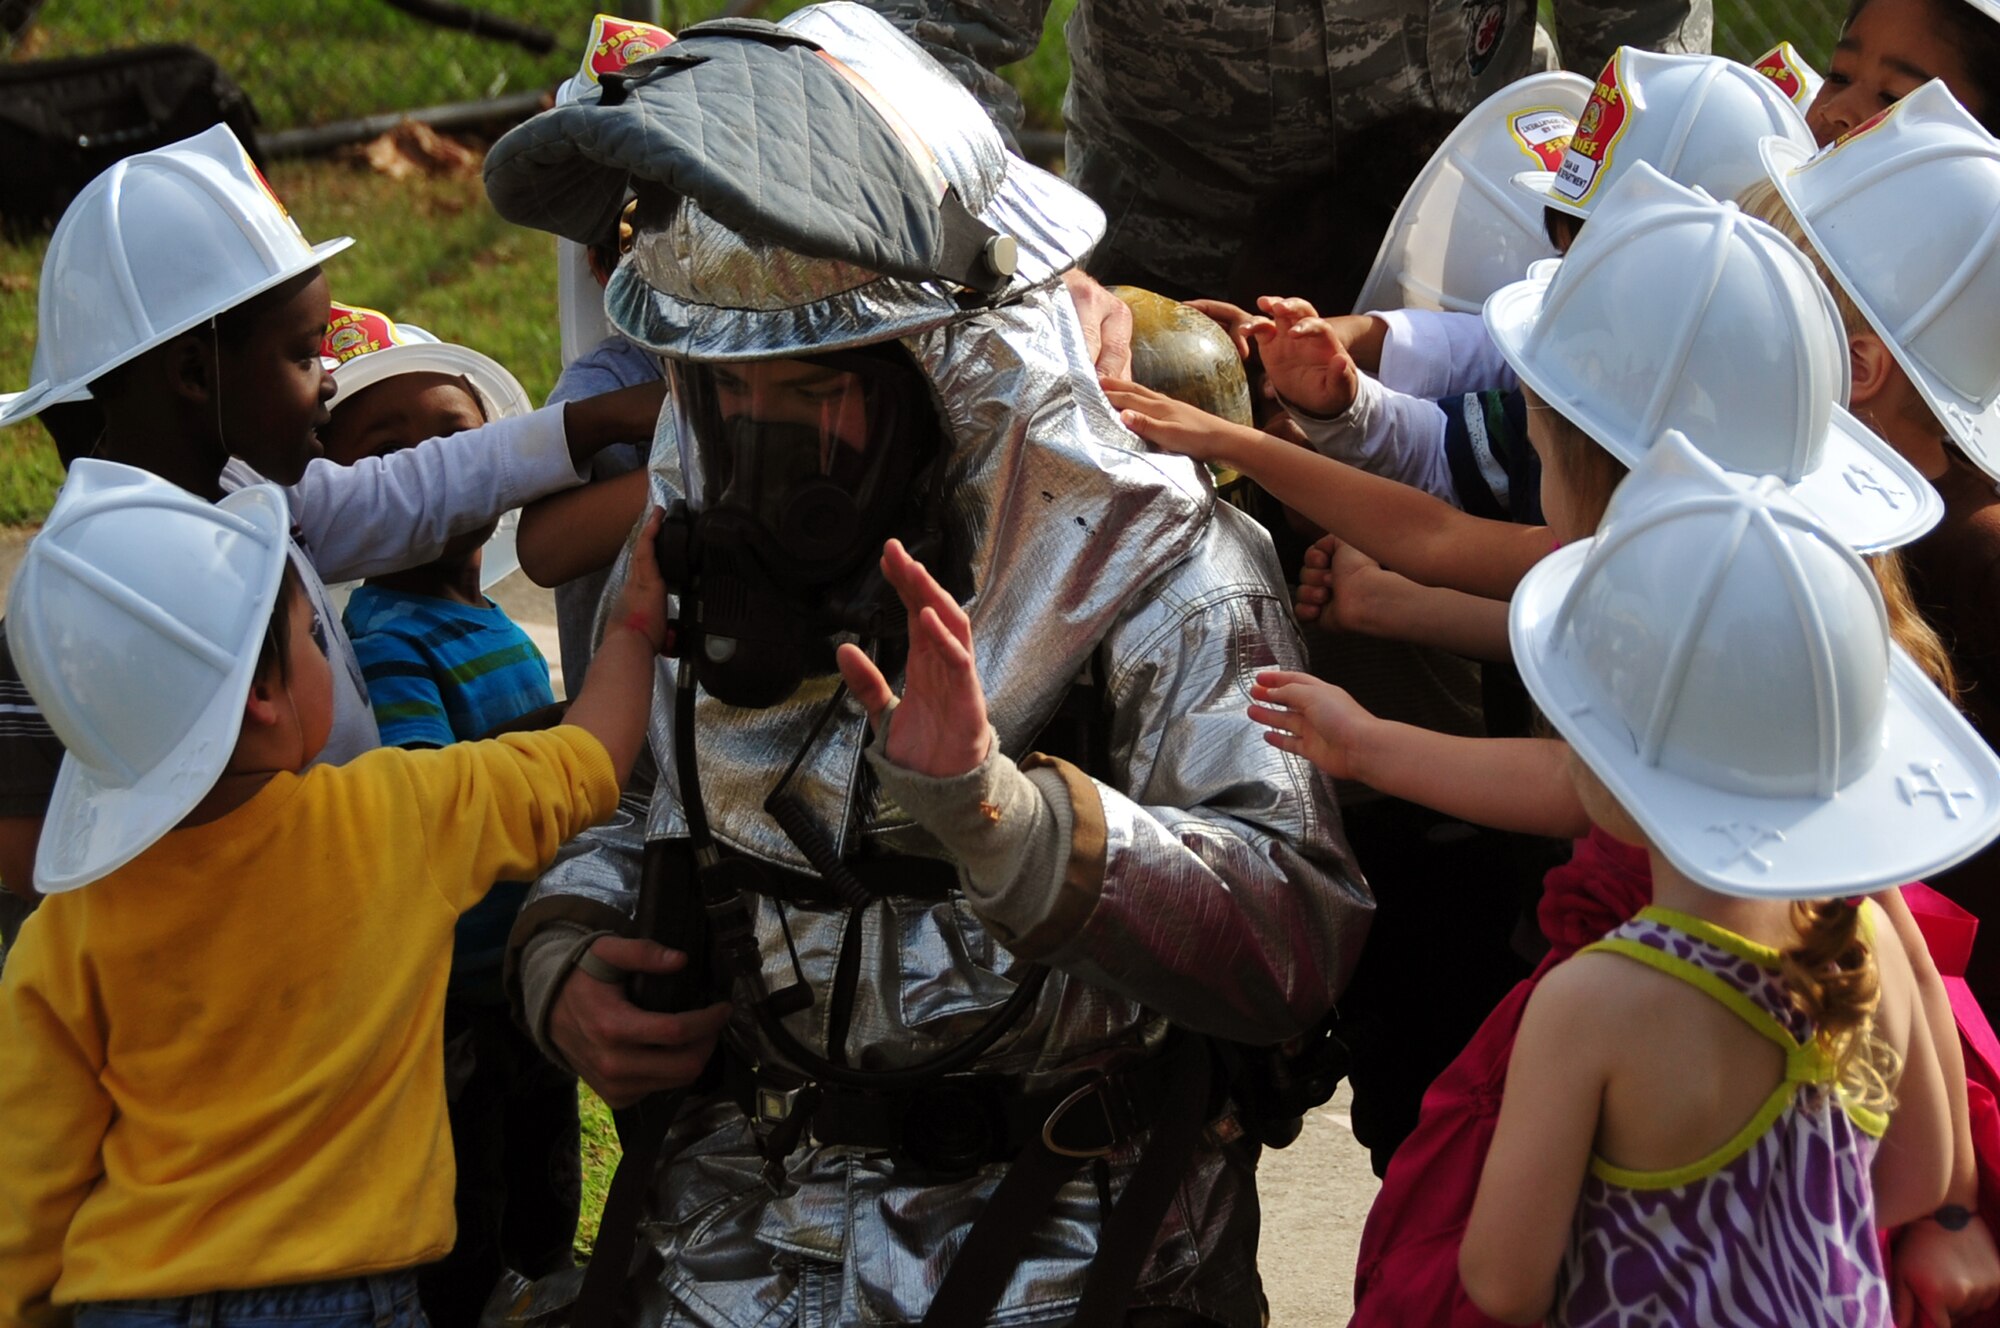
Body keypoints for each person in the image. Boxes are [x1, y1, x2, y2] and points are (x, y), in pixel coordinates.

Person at [478, 7, 1370, 1324]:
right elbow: (634, 793)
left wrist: (1010, 819)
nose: (762, 438)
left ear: (946, 364)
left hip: (1073, 1242)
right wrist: (567, 957)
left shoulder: (1161, 569)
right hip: (735, 1228)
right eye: (730, 393)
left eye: (817, 391)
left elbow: (1295, 931)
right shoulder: (706, 537)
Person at [0, 461, 692, 1326]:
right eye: (313, 636)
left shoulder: (64, 928)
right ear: (262, 694)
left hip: (128, 1297)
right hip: (341, 1299)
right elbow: (586, 762)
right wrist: (629, 627)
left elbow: (29, 1175)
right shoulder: (395, 815)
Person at [0, 124, 664, 899]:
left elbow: (420, 490)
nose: (326, 381)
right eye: (303, 352)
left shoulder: (255, 494)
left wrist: (605, 419)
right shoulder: (88, 599)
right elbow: (21, 850)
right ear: (192, 373)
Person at [1449, 440, 1972, 1325]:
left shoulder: (1593, 1003)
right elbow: (1918, 1176)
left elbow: (1504, 1281)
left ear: (1611, 759)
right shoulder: (1867, 938)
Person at [316, 303, 583, 1327]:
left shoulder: (485, 620)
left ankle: (540, 1279)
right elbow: (430, 789)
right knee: (468, 1209)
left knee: (543, 1181)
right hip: (455, 1005)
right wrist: (573, 730)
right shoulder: (386, 632)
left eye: (451, 435)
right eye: (390, 451)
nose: (430, 463)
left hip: (520, 978)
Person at [867, 0, 1710, 301]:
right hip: (1158, 293)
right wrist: (1027, 272)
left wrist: (1620, 263)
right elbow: (916, 43)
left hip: (1482, 274)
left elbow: (1650, 58)